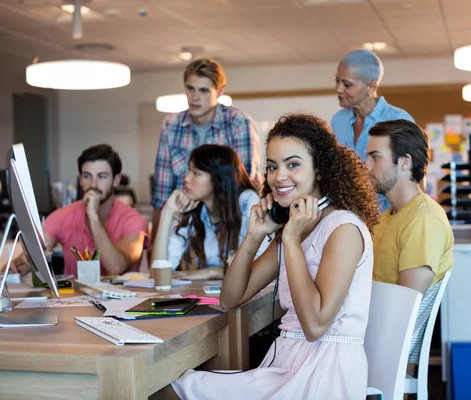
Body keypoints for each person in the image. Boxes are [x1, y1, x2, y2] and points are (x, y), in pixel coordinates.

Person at [154, 114, 379, 400]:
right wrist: (255, 234)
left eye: (293, 164)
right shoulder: (294, 227)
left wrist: (291, 240)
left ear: (320, 170)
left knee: (171, 391)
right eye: (272, 167)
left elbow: (315, 325)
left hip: (324, 374)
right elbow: (231, 298)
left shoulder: (343, 228)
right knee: (166, 387)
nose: (278, 176)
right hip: (285, 365)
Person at [366, 119, 454, 362]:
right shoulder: (386, 218)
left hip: (387, 349)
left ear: (404, 162)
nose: (366, 165)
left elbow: (404, 309)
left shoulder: (423, 220)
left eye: (375, 157)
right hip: (370, 334)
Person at [151, 58, 261, 249]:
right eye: (190, 88)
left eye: (203, 90)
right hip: (186, 227)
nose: (195, 97)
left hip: (232, 227)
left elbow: (244, 183)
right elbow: (162, 193)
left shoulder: (238, 122)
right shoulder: (171, 125)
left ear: (219, 92)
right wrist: (154, 245)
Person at [14, 144, 148, 277]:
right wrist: (20, 264)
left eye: (102, 176)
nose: (93, 184)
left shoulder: (134, 221)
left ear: (116, 180)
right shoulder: (63, 215)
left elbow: (116, 267)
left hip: (123, 298)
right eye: (87, 176)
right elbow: (32, 257)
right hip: (74, 297)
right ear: (80, 180)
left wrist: (93, 216)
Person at [152, 144, 266, 280]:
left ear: (218, 178)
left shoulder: (248, 201)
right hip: (214, 296)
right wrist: (167, 212)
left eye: (195, 173)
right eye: (189, 171)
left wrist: (212, 272)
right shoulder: (194, 207)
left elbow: (262, 266)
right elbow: (158, 272)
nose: (186, 178)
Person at [331, 49, 415, 211]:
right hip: (349, 216)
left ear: (371, 86)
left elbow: (415, 176)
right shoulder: (338, 121)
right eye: (337, 81)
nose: (339, 89)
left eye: (347, 84)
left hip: (389, 216)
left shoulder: (398, 120)